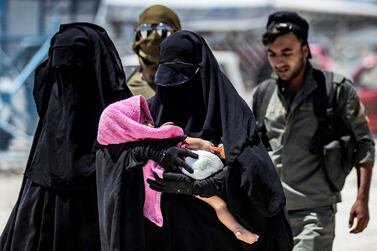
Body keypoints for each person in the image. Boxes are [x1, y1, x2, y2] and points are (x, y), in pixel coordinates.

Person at [146, 30, 293, 251]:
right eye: (169, 79)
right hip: (170, 233)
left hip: (221, 237)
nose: (176, 89)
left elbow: (256, 172)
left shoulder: (230, 115)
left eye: (184, 77)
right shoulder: (150, 112)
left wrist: (215, 183)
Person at [0, 23, 132, 251]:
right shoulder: (40, 181)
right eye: (61, 72)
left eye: (78, 69)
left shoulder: (121, 150)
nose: (69, 81)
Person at [251, 11, 375, 251]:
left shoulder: (335, 90)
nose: (279, 62)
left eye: (287, 52)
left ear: (305, 51)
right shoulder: (263, 94)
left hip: (314, 213)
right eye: (272, 54)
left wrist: (362, 199)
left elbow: (364, 145)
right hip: (271, 214)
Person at [96, 95, 260, 245]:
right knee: (217, 204)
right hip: (169, 183)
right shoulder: (123, 155)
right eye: (141, 120)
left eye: (148, 118)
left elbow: (185, 139)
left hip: (187, 171)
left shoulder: (159, 133)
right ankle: (238, 229)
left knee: (217, 204)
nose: (149, 123)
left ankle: (237, 229)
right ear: (126, 125)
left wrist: (203, 145)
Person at [126, 4, 181, 99]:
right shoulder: (123, 84)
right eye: (146, 30)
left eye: (163, 30)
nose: (153, 37)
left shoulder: (190, 86)